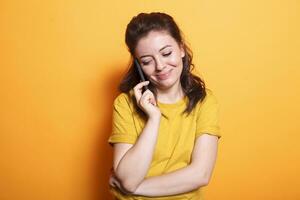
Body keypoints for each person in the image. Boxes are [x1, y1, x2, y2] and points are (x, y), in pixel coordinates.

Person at [108, 12, 221, 200]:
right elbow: (128, 178)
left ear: (182, 49)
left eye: (166, 53)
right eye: (146, 61)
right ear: (138, 65)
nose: (160, 66)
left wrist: (134, 189)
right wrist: (154, 118)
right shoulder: (125, 104)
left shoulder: (205, 101)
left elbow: (200, 174)